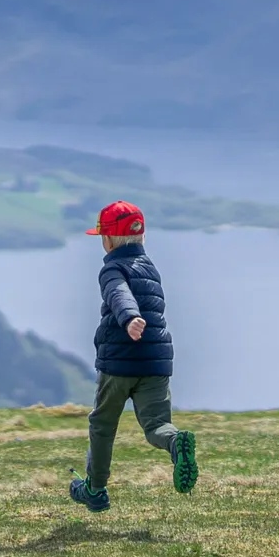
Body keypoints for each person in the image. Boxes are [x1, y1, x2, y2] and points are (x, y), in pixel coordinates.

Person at [69, 200, 195, 512]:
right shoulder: (151, 268)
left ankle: (95, 489)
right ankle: (174, 442)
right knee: (156, 424)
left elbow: (118, 292)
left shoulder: (112, 268)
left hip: (120, 361)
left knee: (103, 424)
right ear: (142, 236)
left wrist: (129, 318)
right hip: (156, 361)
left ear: (108, 240)